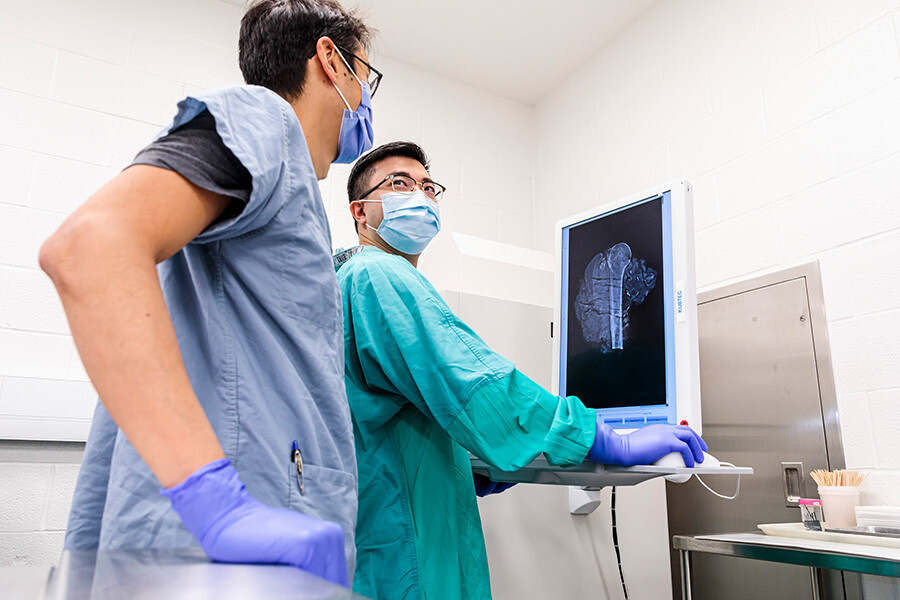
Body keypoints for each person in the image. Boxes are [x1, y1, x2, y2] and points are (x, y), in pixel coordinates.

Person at [38, 0, 378, 586]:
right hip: (215, 563)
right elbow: (92, 246)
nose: (368, 106)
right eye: (365, 79)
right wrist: (214, 501)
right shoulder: (265, 118)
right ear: (330, 60)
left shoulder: (284, 191)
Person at [334, 141, 708, 599]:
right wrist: (605, 438)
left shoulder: (354, 281)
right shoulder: (379, 275)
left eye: (428, 187)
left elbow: (386, 423)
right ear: (360, 211)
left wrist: (474, 468)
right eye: (399, 183)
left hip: (389, 534)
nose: (419, 195)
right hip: (407, 556)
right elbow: (473, 385)